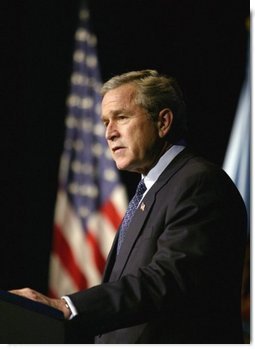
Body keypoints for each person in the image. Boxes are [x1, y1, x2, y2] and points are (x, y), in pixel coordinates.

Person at [11, 70, 247, 344]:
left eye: (122, 117)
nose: (109, 133)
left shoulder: (199, 183)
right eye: (105, 122)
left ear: (163, 122)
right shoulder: (150, 191)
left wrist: (66, 306)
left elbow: (167, 280)